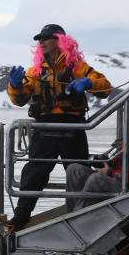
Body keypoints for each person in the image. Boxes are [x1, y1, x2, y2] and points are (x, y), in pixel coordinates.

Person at [7, 24, 112, 230]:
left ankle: (85, 215)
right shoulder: (34, 71)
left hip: (72, 129)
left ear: (60, 40)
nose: (41, 42)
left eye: (46, 38)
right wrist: (16, 85)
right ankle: (21, 217)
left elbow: (105, 87)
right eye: (39, 39)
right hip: (44, 129)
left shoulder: (77, 67)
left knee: (79, 172)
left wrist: (87, 84)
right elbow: (19, 100)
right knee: (34, 173)